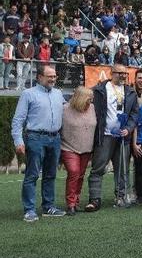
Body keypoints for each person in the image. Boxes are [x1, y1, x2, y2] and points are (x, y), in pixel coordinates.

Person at [11, 65, 66, 222]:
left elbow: (68, 110)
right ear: (39, 77)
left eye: (54, 76)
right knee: (32, 175)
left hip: (55, 139)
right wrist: (18, 141)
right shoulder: (28, 94)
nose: (53, 79)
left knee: (50, 175)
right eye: (49, 76)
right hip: (35, 138)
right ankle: (29, 210)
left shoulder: (58, 94)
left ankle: (48, 207)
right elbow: (18, 120)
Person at [85, 64, 139, 212]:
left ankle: (121, 196)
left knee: (122, 169)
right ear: (111, 72)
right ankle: (94, 199)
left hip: (123, 137)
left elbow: (134, 114)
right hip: (105, 135)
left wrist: (128, 129)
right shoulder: (99, 90)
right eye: (119, 73)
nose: (122, 76)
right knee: (98, 168)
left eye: (125, 74)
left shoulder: (130, 92)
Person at [60, 86, 96, 216]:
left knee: (80, 175)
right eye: (88, 98)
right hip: (68, 147)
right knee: (74, 172)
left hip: (86, 148)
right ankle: (70, 204)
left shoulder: (92, 108)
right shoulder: (65, 109)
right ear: (80, 97)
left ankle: (76, 202)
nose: (91, 100)